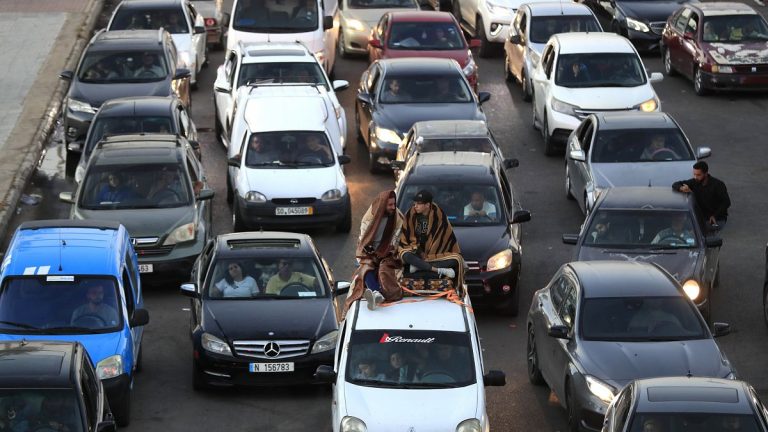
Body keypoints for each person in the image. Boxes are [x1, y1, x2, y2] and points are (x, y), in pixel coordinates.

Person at [344, 190, 404, 314]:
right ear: (383, 205)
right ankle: (376, 292)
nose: (393, 207)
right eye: (390, 205)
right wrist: (371, 253)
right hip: (370, 253)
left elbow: (397, 240)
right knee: (366, 267)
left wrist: (387, 251)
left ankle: (379, 292)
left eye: (394, 204)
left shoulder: (398, 217)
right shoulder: (369, 217)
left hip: (389, 254)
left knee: (384, 268)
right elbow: (363, 240)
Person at [399, 190, 464, 282]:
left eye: (419, 203)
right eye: (415, 203)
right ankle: (438, 270)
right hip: (416, 253)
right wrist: (419, 251)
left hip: (434, 255)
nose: (415, 206)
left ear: (427, 205)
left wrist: (425, 257)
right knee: (406, 255)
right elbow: (408, 237)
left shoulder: (439, 215)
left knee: (455, 260)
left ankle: (419, 266)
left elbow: (443, 237)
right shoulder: (410, 214)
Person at [672, 161, 731, 232]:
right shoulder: (694, 182)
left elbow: (726, 202)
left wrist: (715, 215)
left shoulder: (718, 185)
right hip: (701, 217)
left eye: (698, 175)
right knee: (681, 225)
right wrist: (681, 188)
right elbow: (675, 184)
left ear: (706, 174)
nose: (695, 177)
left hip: (717, 219)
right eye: (694, 174)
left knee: (699, 229)